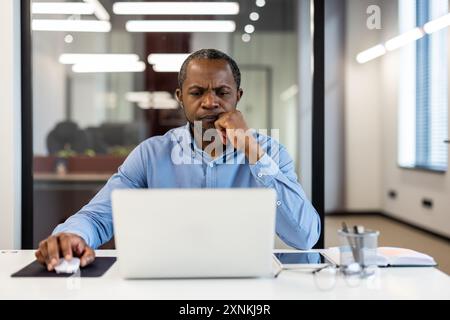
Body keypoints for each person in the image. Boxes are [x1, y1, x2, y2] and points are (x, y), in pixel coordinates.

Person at [35, 49, 321, 271]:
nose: (210, 102)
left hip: (247, 283)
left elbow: (304, 237)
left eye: (222, 92)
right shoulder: (151, 154)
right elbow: (98, 216)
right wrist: (72, 235)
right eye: (197, 93)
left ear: (238, 96)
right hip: (166, 280)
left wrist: (253, 152)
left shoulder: (270, 152)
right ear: (180, 97)